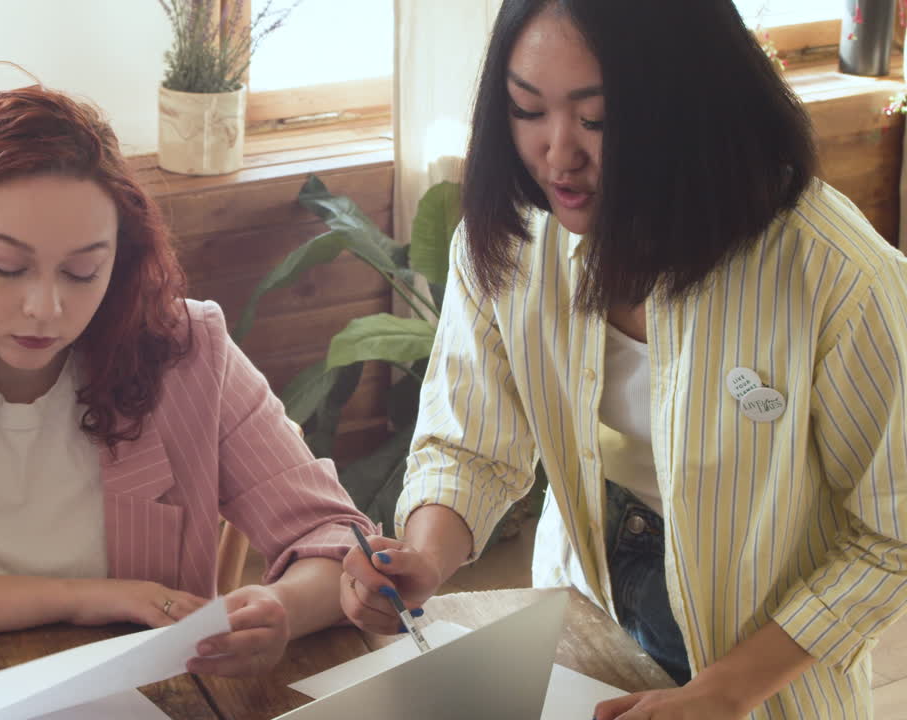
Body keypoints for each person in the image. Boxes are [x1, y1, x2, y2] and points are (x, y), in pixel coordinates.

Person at [341, 0, 907, 717]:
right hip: (585, 625)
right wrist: (423, 557)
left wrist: (725, 690)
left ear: (694, 105)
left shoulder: (836, 274)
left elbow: (893, 536)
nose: (557, 152)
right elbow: (468, 445)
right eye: (526, 109)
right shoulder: (511, 240)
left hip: (768, 670)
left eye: (597, 118)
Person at [0, 84, 375, 678]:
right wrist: (85, 597)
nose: (45, 308)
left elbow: (337, 543)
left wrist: (282, 611)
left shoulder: (187, 350)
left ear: (120, 256)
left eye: (83, 271)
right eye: (7, 267)